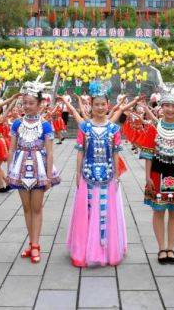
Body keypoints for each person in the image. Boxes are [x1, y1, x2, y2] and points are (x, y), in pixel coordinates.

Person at [67, 81, 127, 267]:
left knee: (106, 211)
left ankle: (107, 249)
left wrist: (117, 175)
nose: (100, 108)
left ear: (108, 105)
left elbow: (116, 153)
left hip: (108, 175)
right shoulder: (85, 127)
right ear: (90, 106)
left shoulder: (114, 129)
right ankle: (84, 249)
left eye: (103, 104)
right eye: (96, 104)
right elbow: (80, 151)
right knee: (87, 210)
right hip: (87, 173)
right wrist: (77, 173)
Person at [139, 84, 174, 265]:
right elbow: (148, 154)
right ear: (161, 107)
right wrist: (147, 177)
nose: (170, 109)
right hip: (157, 174)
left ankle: (171, 247)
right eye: (167, 105)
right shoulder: (153, 128)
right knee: (158, 210)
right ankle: (161, 247)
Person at [7, 80, 60, 264]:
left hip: (39, 169)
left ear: (40, 104)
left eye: (31, 103)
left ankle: (36, 244)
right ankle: (31, 243)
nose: (27, 106)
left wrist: (48, 176)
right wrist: (9, 171)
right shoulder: (16, 124)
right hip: (20, 168)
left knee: (37, 208)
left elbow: (50, 151)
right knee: (26, 207)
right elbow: (12, 149)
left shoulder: (45, 125)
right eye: (25, 103)